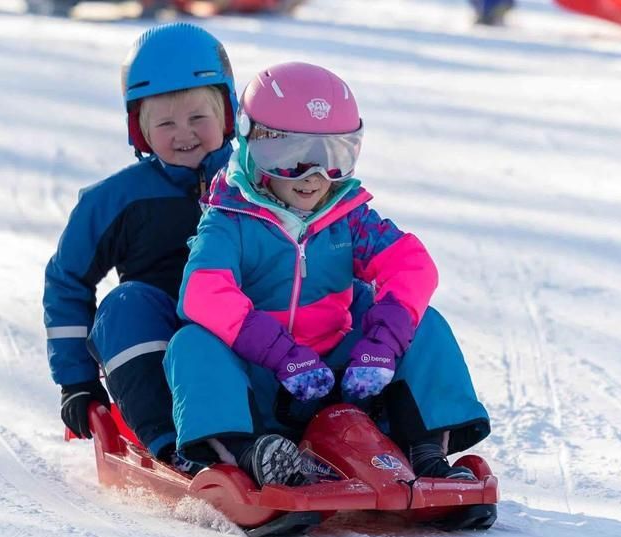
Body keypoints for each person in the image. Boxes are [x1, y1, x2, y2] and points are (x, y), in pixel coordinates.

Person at [163, 62, 491, 487]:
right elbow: (204, 292)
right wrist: (281, 354)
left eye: (333, 156)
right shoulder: (230, 219)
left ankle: (425, 452)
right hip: (261, 382)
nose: (314, 176)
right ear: (251, 145)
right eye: (291, 156)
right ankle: (249, 455)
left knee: (424, 323)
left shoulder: (348, 218)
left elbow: (411, 264)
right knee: (192, 344)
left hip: (341, 374)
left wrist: (383, 346)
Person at [42, 23, 238, 472]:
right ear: (140, 128)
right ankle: (173, 446)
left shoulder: (256, 182)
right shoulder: (115, 200)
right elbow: (67, 279)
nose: (183, 133)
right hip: (160, 345)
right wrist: (76, 381)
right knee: (124, 305)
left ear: (226, 115)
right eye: (165, 122)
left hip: (246, 332)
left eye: (197, 118)